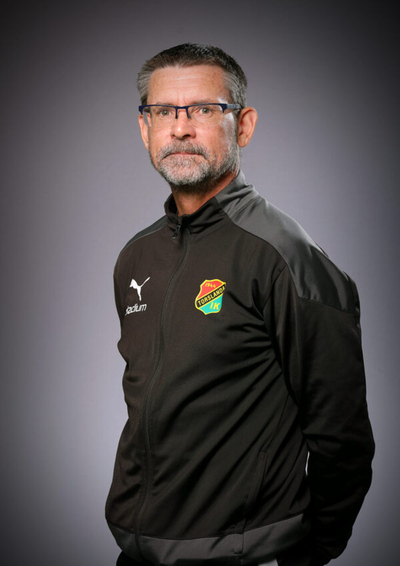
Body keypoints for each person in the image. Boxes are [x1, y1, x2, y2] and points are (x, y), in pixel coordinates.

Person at [105, 43, 374, 566]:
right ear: (145, 127)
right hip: (137, 551)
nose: (181, 128)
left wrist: (309, 553)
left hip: (243, 554)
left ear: (243, 126)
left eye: (204, 110)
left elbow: (342, 435)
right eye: (164, 111)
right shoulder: (136, 256)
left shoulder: (283, 256)